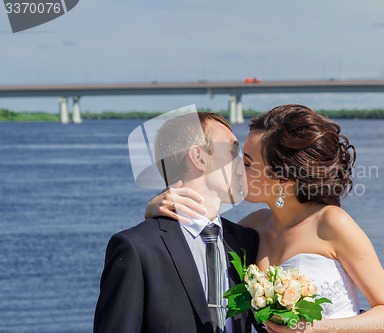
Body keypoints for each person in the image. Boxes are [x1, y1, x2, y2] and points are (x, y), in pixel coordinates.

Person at [145, 104, 384, 333]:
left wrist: (319, 328)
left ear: (281, 177)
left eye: (247, 162)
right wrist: (154, 211)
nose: (236, 167)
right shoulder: (252, 228)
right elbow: (195, 245)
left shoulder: (331, 223)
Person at [94, 112, 264, 333]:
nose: (243, 164)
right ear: (199, 157)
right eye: (233, 151)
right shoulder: (138, 248)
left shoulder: (246, 242)